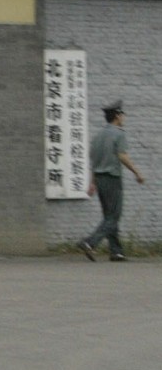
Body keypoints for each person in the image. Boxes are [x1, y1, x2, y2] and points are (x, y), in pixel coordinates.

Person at [79, 100, 146, 261]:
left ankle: (116, 251)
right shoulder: (119, 133)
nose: (123, 118)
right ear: (117, 116)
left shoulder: (98, 136)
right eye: (122, 114)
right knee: (113, 216)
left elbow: (94, 161)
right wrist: (137, 172)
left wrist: (93, 182)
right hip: (112, 179)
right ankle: (90, 242)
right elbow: (122, 156)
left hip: (100, 179)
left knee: (109, 216)